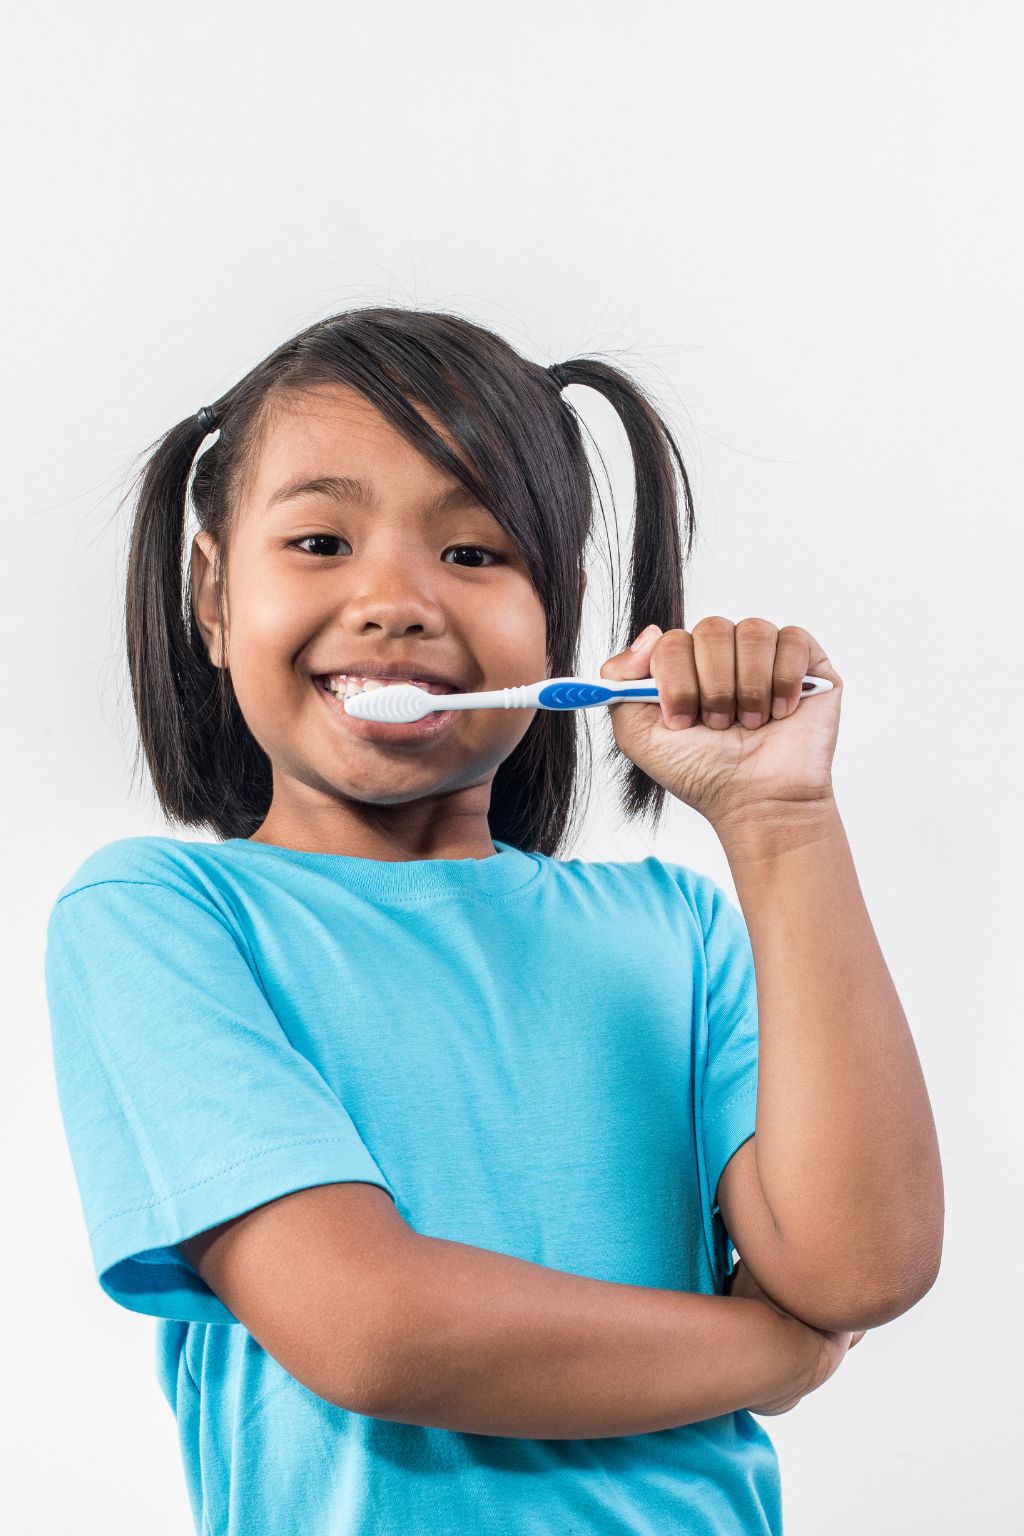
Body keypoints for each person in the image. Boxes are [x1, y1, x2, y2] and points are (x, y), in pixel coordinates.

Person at [44, 306, 940, 1535]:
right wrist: (775, 1354)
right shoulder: (161, 919)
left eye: (474, 554)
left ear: (558, 613)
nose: (395, 599)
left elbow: (861, 1268)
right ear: (212, 595)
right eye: (318, 540)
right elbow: (370, 1328)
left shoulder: (671, 929)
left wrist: (780, 826)